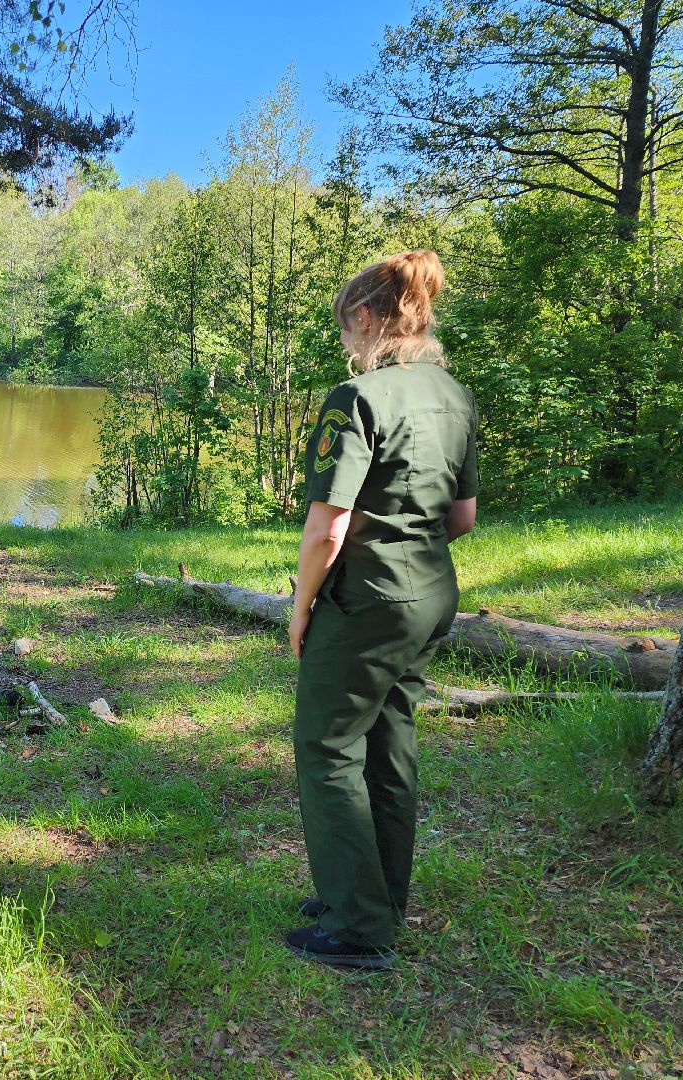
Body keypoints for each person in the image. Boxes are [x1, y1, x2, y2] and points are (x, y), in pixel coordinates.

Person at [283, 250, 477, 970]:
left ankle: (359, 929)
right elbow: (462, 516)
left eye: (344, 330)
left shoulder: (357, 399)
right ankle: (376, 895)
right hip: (431, 594)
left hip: (366, 601)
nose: (344, 345)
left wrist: (303, 607)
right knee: (389, 744)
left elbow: (326, 529)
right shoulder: (453, 395)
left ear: (366, 318)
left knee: (327, 746)